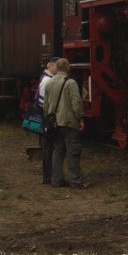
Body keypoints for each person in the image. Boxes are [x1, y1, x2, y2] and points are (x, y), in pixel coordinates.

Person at [43, 58, 87, 189]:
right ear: (68, 68)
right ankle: (76, 181)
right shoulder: (71, 83)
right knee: (73, 151)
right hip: (68, 121)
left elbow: (46, 105)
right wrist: (80, 119)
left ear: (56, 68)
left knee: (58, 151)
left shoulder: (49, 83)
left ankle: (56, 180)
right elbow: (76, 103)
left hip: (54, 123)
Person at [36, 57, 58, 184]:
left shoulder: (46, 78)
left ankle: (48, 175)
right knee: (49, 147)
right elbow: (43, 101)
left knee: (49, 147)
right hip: (48, 118)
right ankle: (47, 176)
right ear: (51, 66)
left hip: (47, 117)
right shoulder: (47, 80)